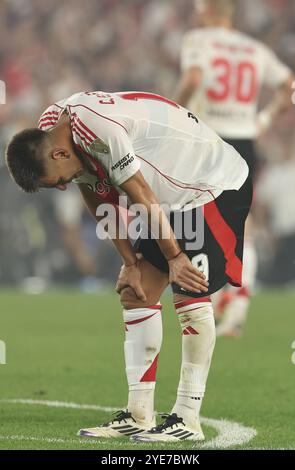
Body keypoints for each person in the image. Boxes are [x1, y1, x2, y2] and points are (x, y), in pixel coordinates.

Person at [5, 90, 251, 442]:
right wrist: (129, 261)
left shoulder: (98, 130)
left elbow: (138, 193)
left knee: (189, 293)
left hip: (211, 183)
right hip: (170, 199)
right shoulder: (55, 129)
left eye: (56, 181)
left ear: (58, 154)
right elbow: (89, 189)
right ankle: (139, 415)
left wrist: (175, 257)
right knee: (136, 295)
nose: (62, 188)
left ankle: (188, 418)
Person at [176, 0, 295, 336]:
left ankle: (211, 298)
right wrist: (265, 119)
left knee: (200, 216)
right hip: (245, 142)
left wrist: (173, 116)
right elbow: (292, 86)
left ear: (208, 11)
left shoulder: (197, 41)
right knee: (241, 221)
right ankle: (237, 304)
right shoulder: (254, 48)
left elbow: (193, 79)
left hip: (209, 138)